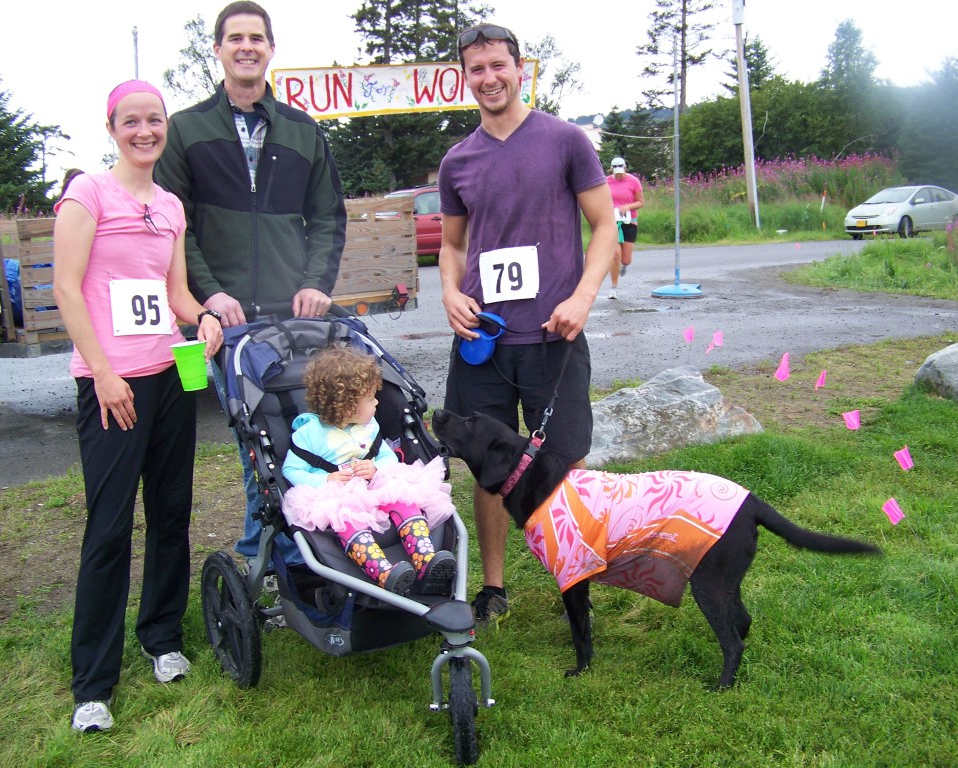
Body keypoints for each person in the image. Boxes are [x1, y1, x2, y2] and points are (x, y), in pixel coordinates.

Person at [53, 80, 224, 733]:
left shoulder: (171, 206)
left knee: (172, 513)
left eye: (154, 120)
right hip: (112, 384)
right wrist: (101, 371)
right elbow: (67, 289)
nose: (145, 130)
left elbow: (175, 293)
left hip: (169, 376)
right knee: (108, 528)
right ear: (112, 127)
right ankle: (92, 683)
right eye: (132, 121)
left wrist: (204, 317)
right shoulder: (88, 195)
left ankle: (162, 639)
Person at [155, 1, 347, 567]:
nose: (246, 47)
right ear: (217, 50)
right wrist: (210, 294)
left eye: (256, 38)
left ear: (270, 49)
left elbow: (329, 217)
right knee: (257, 445)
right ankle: (272, 559)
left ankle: (293, 555)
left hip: (294, 319)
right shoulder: (185, 130)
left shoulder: (302, 130)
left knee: (304, 439)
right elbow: (174, 224)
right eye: (234, 38)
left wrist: (317, 283)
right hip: (228, 322)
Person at [437, 23, 617, 625]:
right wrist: (447, 291)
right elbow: (453, 247)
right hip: (483, 340)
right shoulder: (457, 160)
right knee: (485, 462)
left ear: (521, 70)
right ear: (466, 77)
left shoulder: (565, 141)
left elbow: (605, 226)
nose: (488, 78)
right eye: (476, 69)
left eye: (498, 66)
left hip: (553, 336)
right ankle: (493, 587)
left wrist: (584, 296)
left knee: (566, 458)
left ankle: (579, 572)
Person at [280, 346, 456, 594]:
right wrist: (326, 479)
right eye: (371, 398)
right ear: (349, 405)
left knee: (404, 500)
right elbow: (292, 469)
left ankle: (426, 562)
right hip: (337, 496)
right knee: (347, 520)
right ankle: (385, 574)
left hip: (374, 485)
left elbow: (386, 456)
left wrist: (375, 468)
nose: (376, 403)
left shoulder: (370, 426)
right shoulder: (309, 435)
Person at [605, 157, 645, 299]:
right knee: (615, 254)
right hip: (612, 222)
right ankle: (613, 288)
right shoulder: (606, 181)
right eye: (616, 173)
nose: (619, 175)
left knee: (625, 259)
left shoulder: (633, 181)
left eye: (621, 172)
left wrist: (627, 206)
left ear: (625, 169)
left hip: (629, 221)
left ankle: (625, 265)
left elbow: (641, 202)